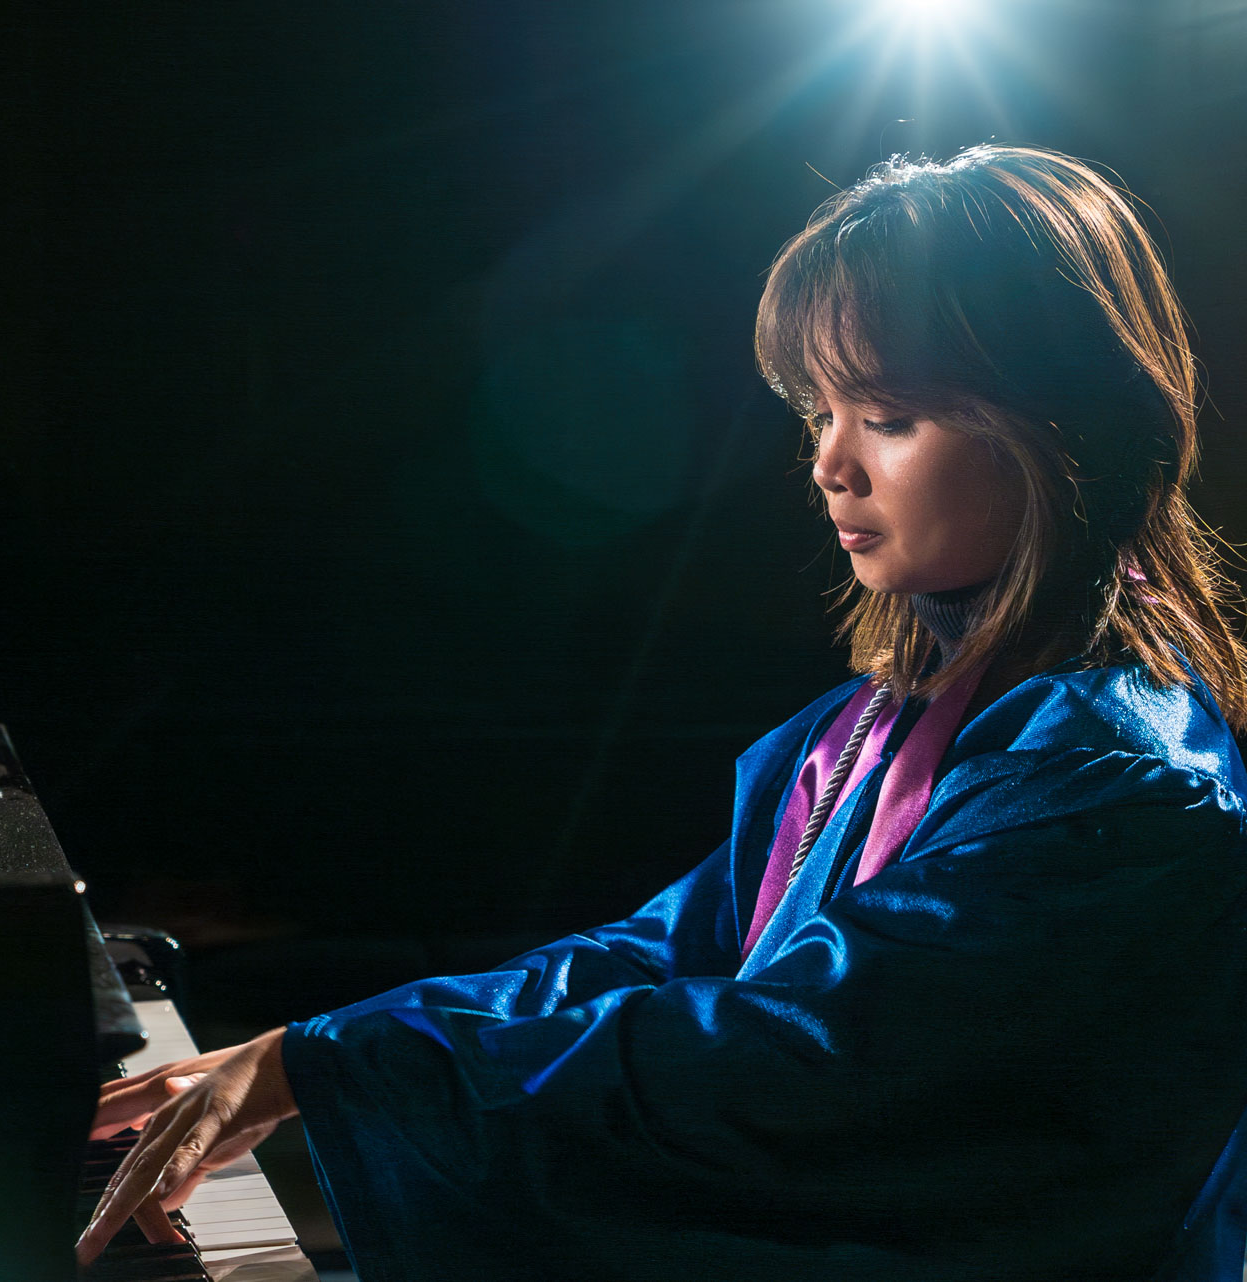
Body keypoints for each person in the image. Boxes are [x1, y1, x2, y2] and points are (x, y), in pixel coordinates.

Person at [77, 145, 1247, 1280]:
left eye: (887, 416)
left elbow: (785, 1050)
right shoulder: (872, 724)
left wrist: (335, 1068)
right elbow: (663, 950)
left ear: (1063, 424)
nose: (830, 464)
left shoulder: (1118, 783)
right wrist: (304, 1054)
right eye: (817, 412)